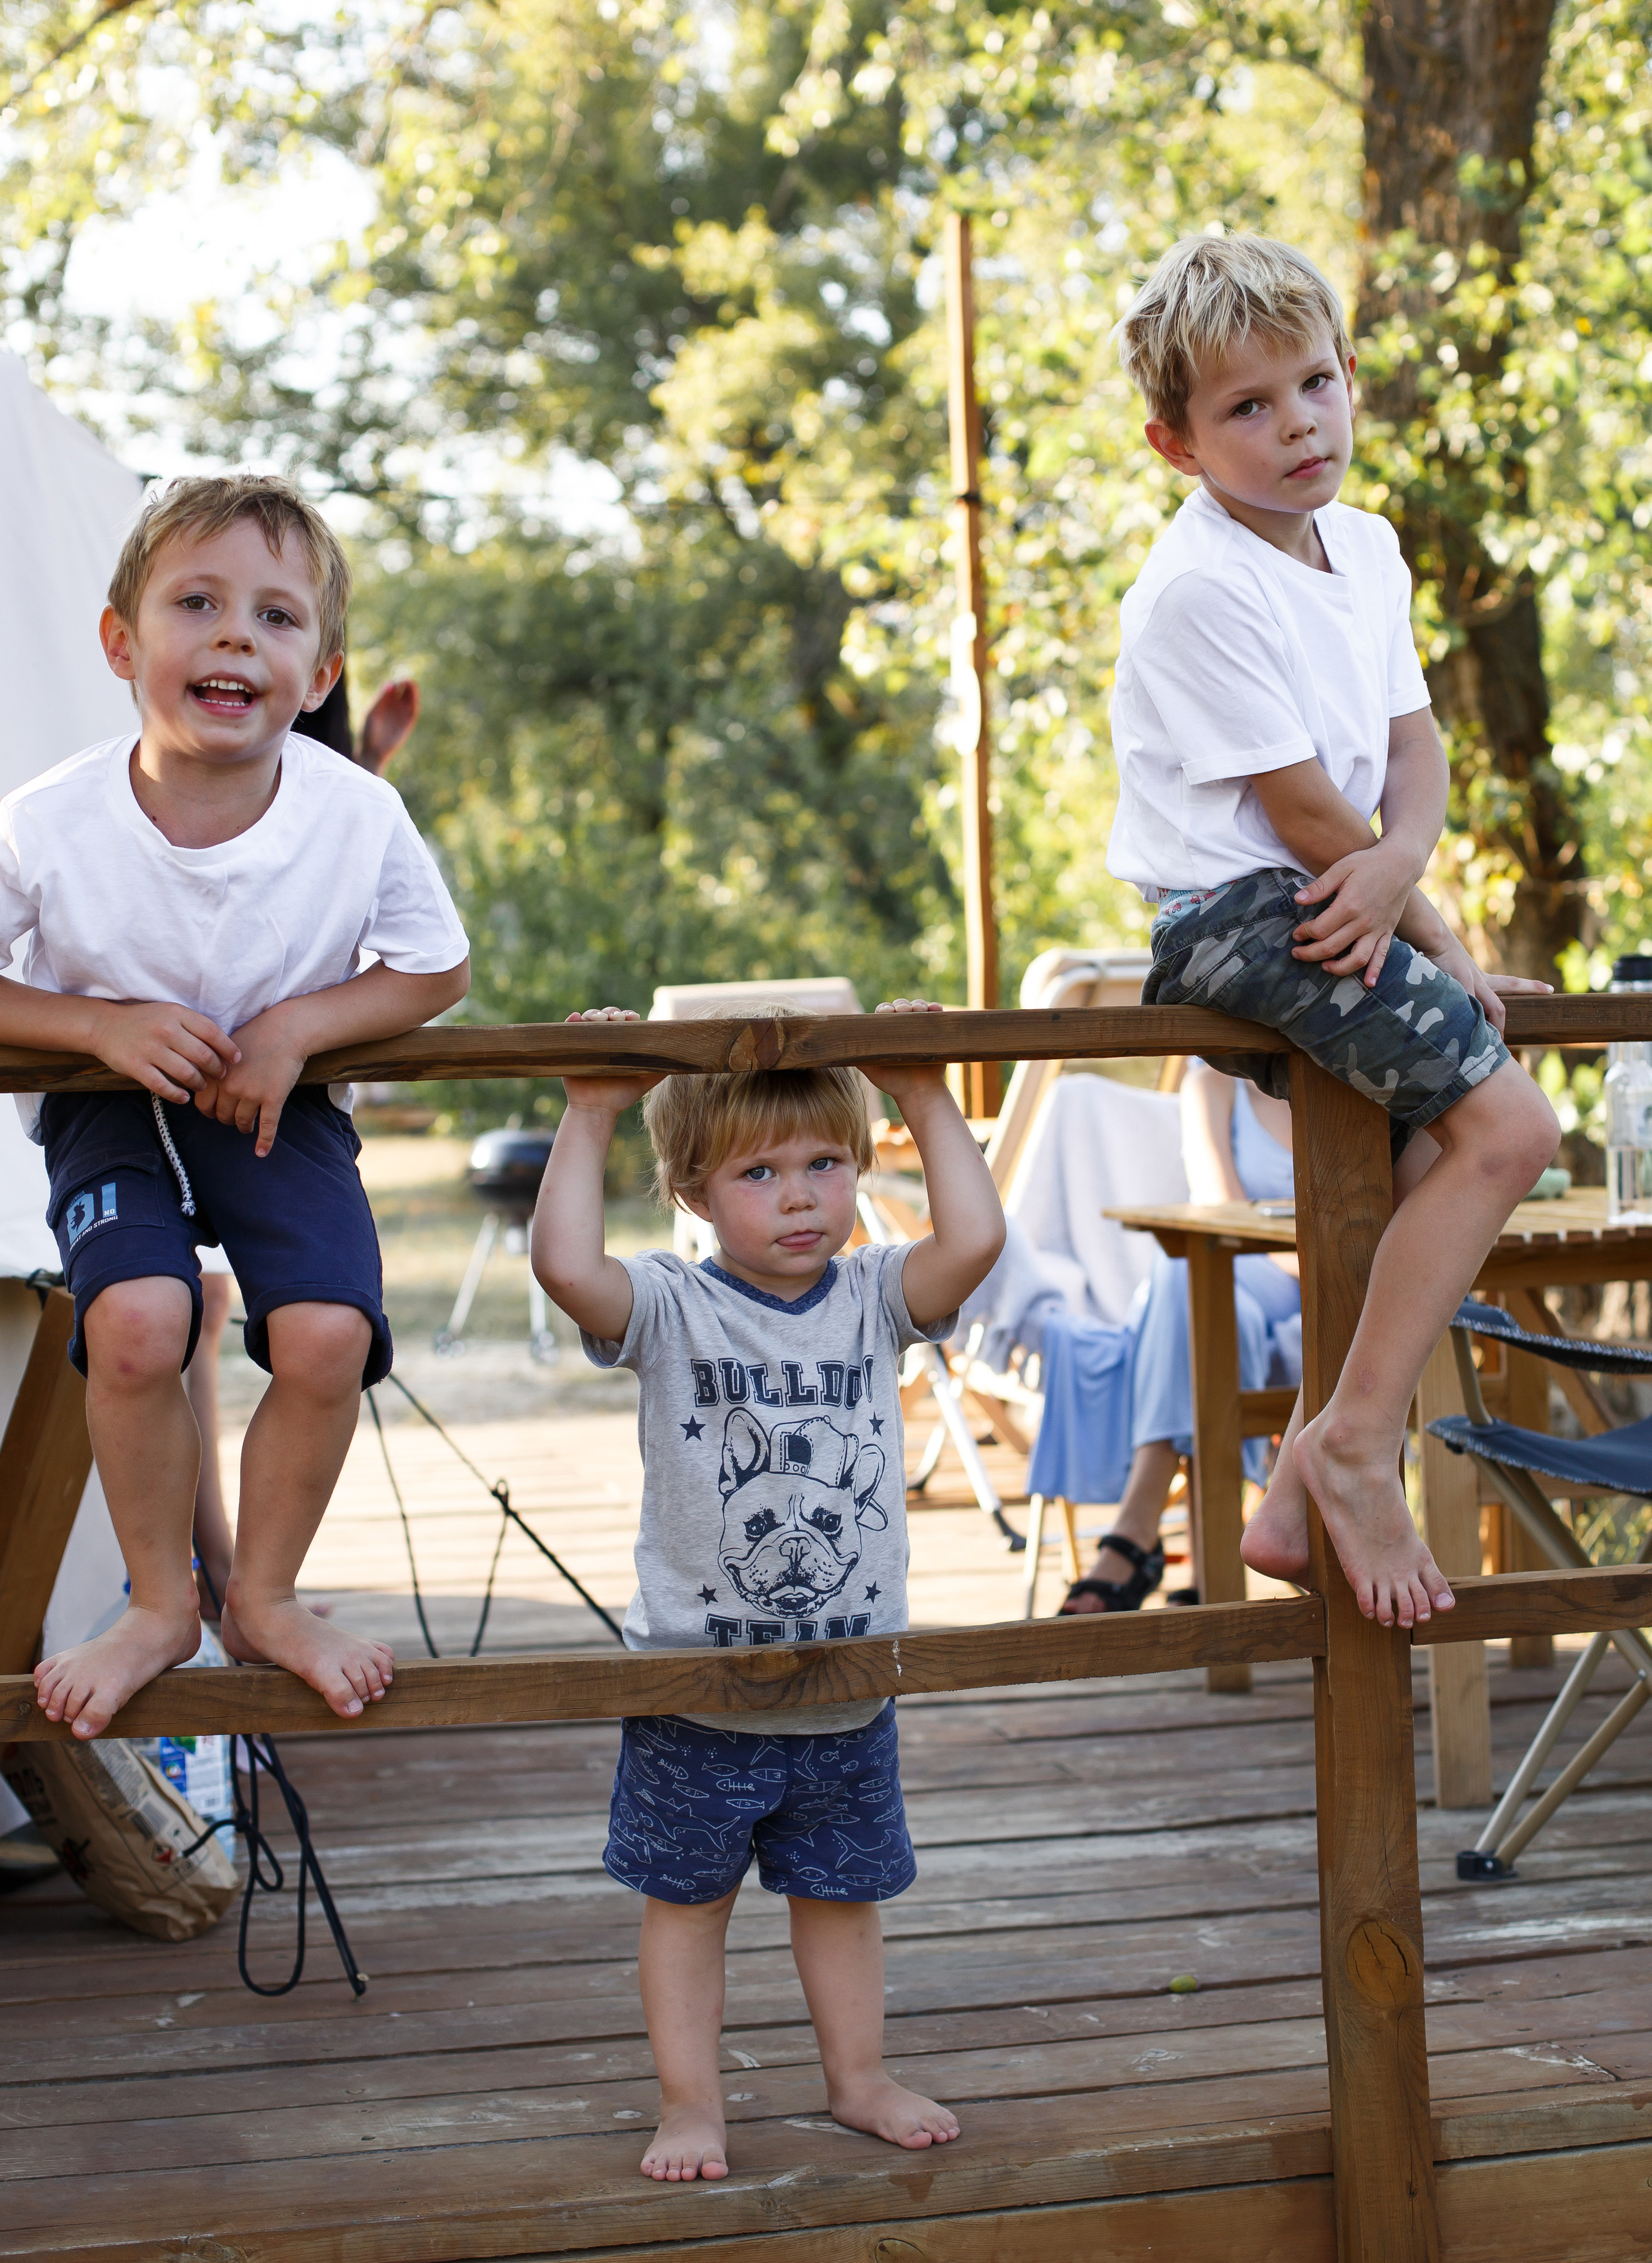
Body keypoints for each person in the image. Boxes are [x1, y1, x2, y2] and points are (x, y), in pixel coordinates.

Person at [1106, 232, 1559, 1628]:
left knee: (1431, 1153)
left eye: (1310, 384)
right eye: (1244, 407)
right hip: (1232, 918)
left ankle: (1299, 1487)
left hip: (1332, 887)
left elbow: (1405, 760)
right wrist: (1414, 919)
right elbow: (1305, 816)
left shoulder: (1360, 548)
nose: (1294, 424)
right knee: (1514, 1133)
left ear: (1348, 379)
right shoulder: (1193, 591)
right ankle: (1358, 1441)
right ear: (1174, 444)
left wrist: (1428, 915)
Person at [13, 473, 470, 1739]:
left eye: (274, 619)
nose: (232, 637)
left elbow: (434, 966)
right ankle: (162, 1602)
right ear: (122, 643)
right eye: (197, 604)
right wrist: (96, 1024)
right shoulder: (47, 824)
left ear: (318, 672)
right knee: (143, 1325)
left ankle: (264, 1597)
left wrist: (300, 1029)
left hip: (280, 1092)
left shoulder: (357, 811)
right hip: (109, 1095)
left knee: (328, 1337)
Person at [531, 999, 1005, 2183]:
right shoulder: (671, 1307)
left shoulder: (877, 1295)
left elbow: (978, 1240)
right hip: (699, 1693)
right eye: (759, 1172)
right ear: (694, 1192)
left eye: (824, 1164)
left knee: (842, 1899)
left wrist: (926, 1092)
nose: (801, 1196)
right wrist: (591, 1108)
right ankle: (691, 2103)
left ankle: (857, 2078)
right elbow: (562, 1264)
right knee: (688, 1906)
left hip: (849, 1690)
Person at [189, 665, 423, 1609]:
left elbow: (350, 895)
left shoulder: (344, 802)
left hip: (288, 1085)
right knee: (174, 1314)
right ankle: (209, 1567)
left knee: (300, 1327)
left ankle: (242, 1576)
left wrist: (365, 760)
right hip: (156, 1083)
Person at [1060, 1063, 1300, 1614]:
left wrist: (1329, 1263)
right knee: (1184, 1273)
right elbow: (1222, 1210)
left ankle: (1137, 1537)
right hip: (1245, 1265)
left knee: (1180, 1286)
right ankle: (1194, 1546)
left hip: (1327, 1285)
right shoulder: (1215, 1081)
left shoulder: (1355, 1064)